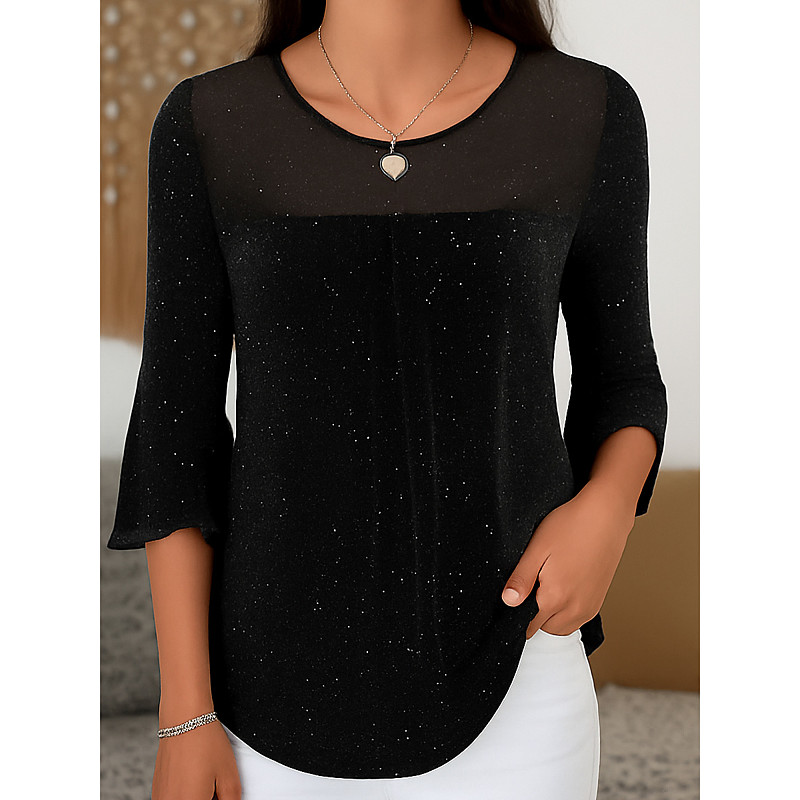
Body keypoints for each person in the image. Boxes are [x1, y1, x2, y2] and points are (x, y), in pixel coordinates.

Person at [107, 1, 668, 798]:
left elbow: (624, 378)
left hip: (521, 670)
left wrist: (607, 508)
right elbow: (175, 430)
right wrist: (185, 711)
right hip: (260, 699)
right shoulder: (210, 122)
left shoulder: (584, 109)